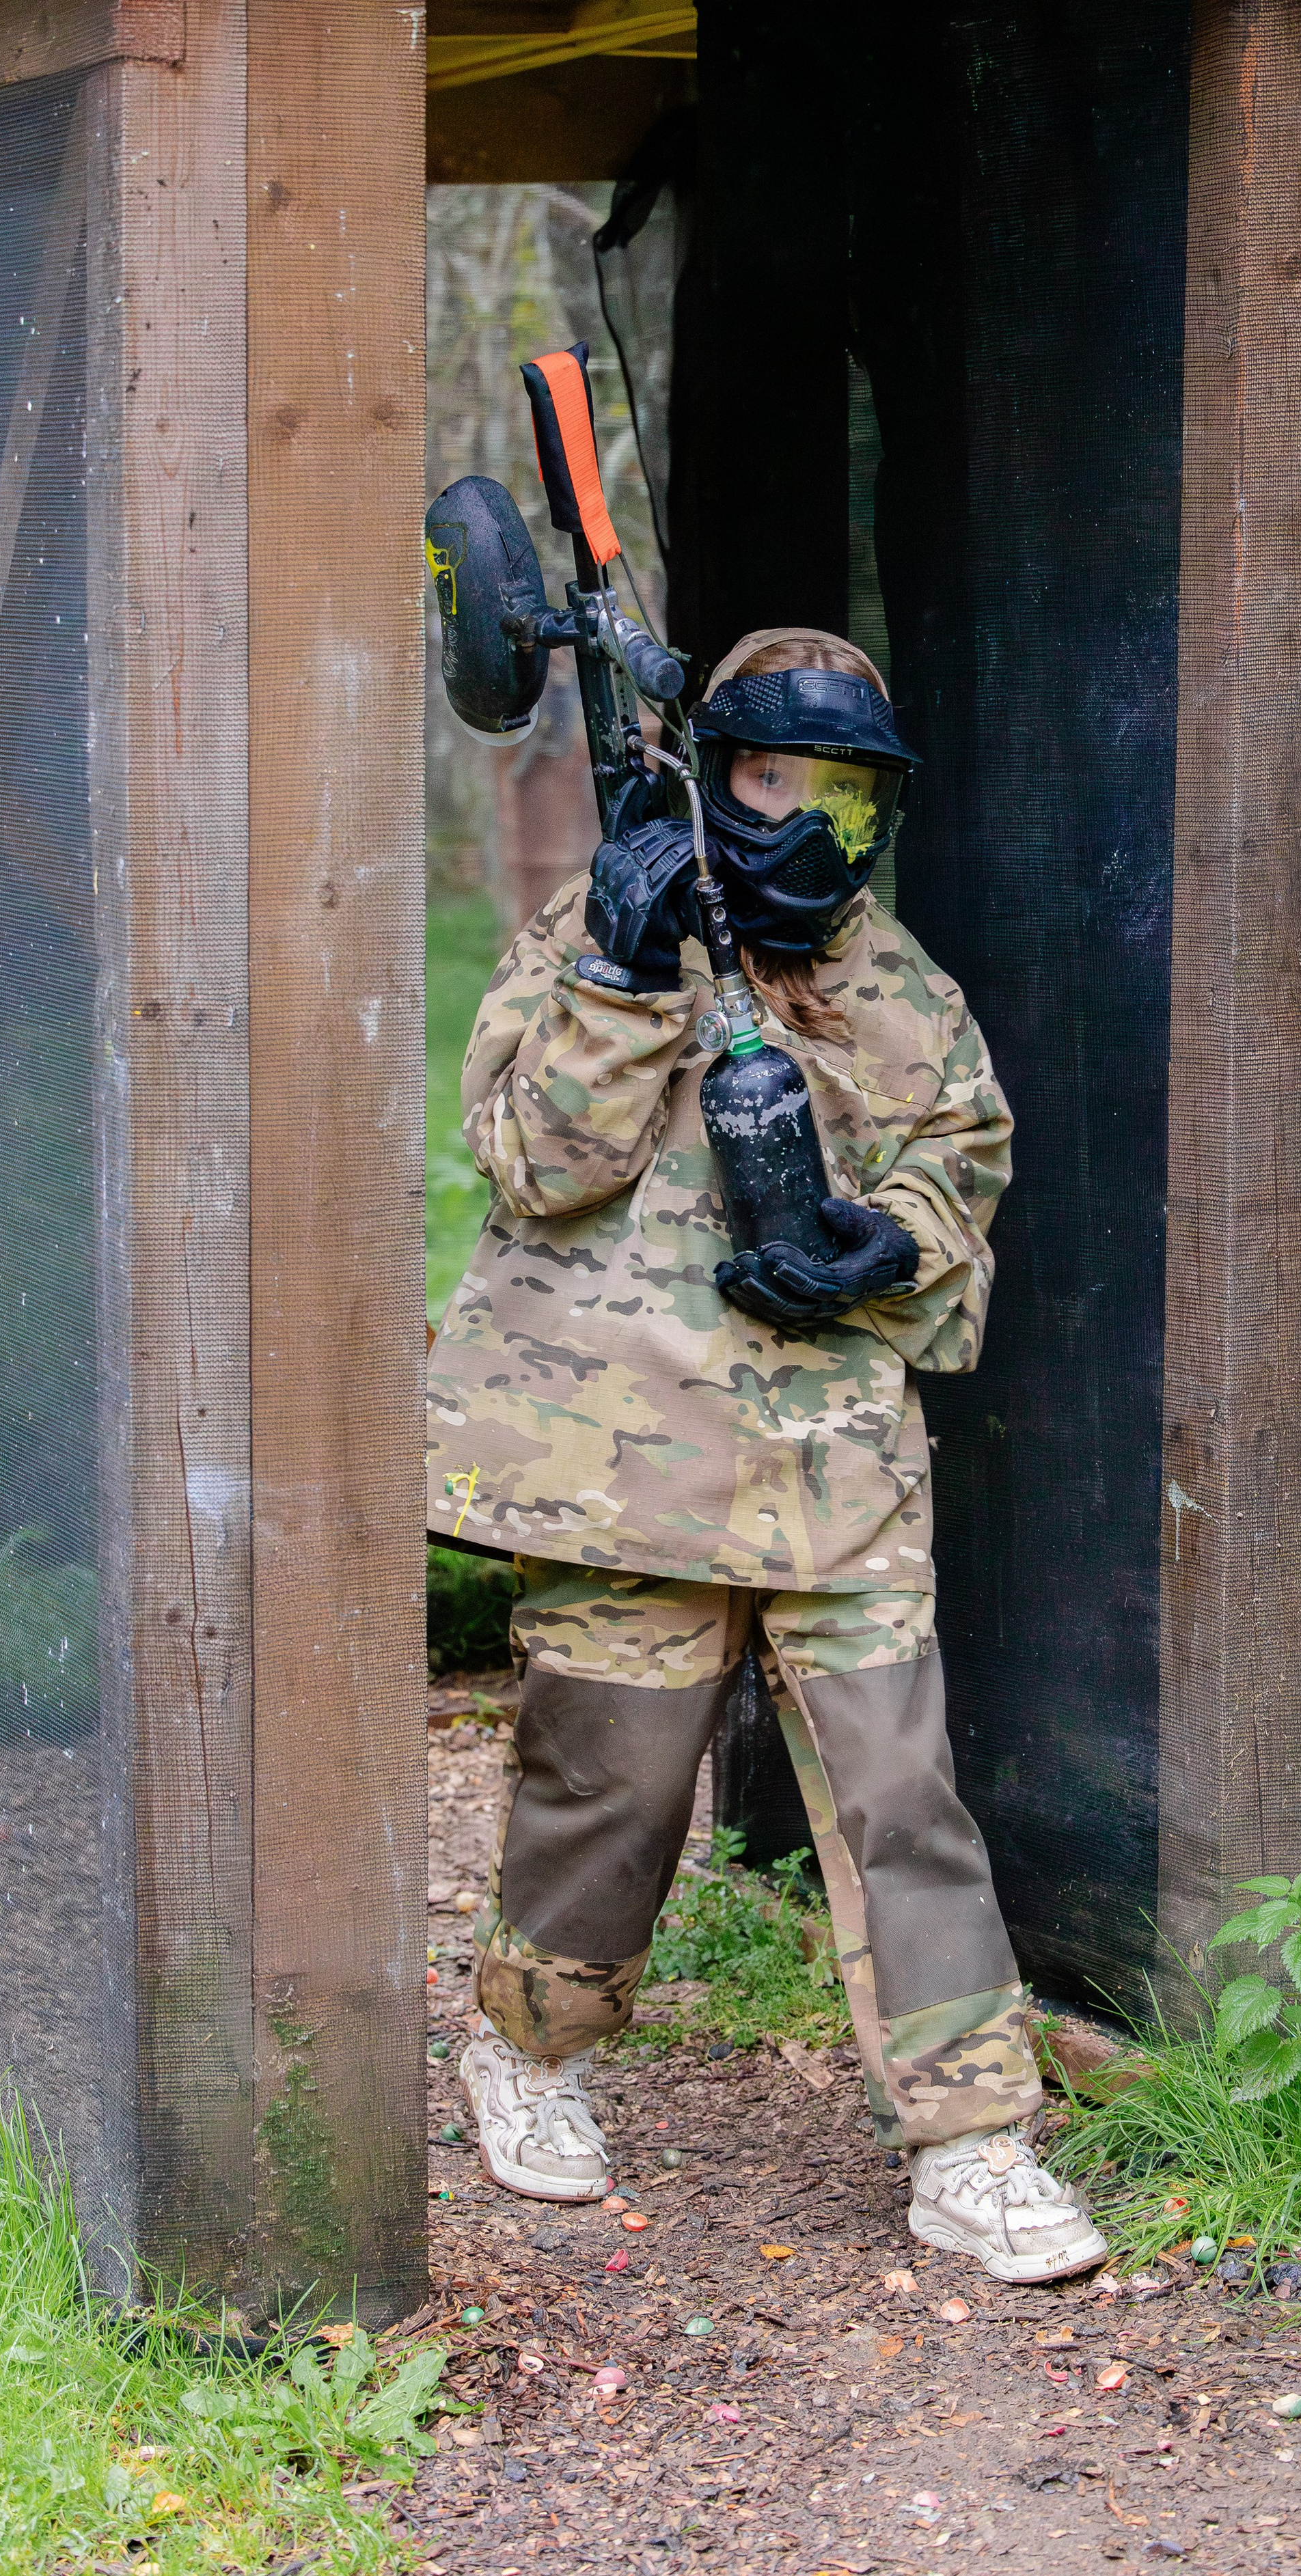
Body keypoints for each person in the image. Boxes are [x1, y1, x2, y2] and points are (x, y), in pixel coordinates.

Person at [426, 626, 1106, 2284]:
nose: (807, 822)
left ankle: (972, 2138)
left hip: (829, 1468)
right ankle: (528, 2045)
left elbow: (962, 1164)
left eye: (846, 793)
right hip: (620, 1457)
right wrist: (616, 980)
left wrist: (885, 1245)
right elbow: (531, 1166)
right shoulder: (597, 930)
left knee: (899, 1791)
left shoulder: (900, 990)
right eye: (771, 776)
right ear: (711, 769)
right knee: (613, 1778)